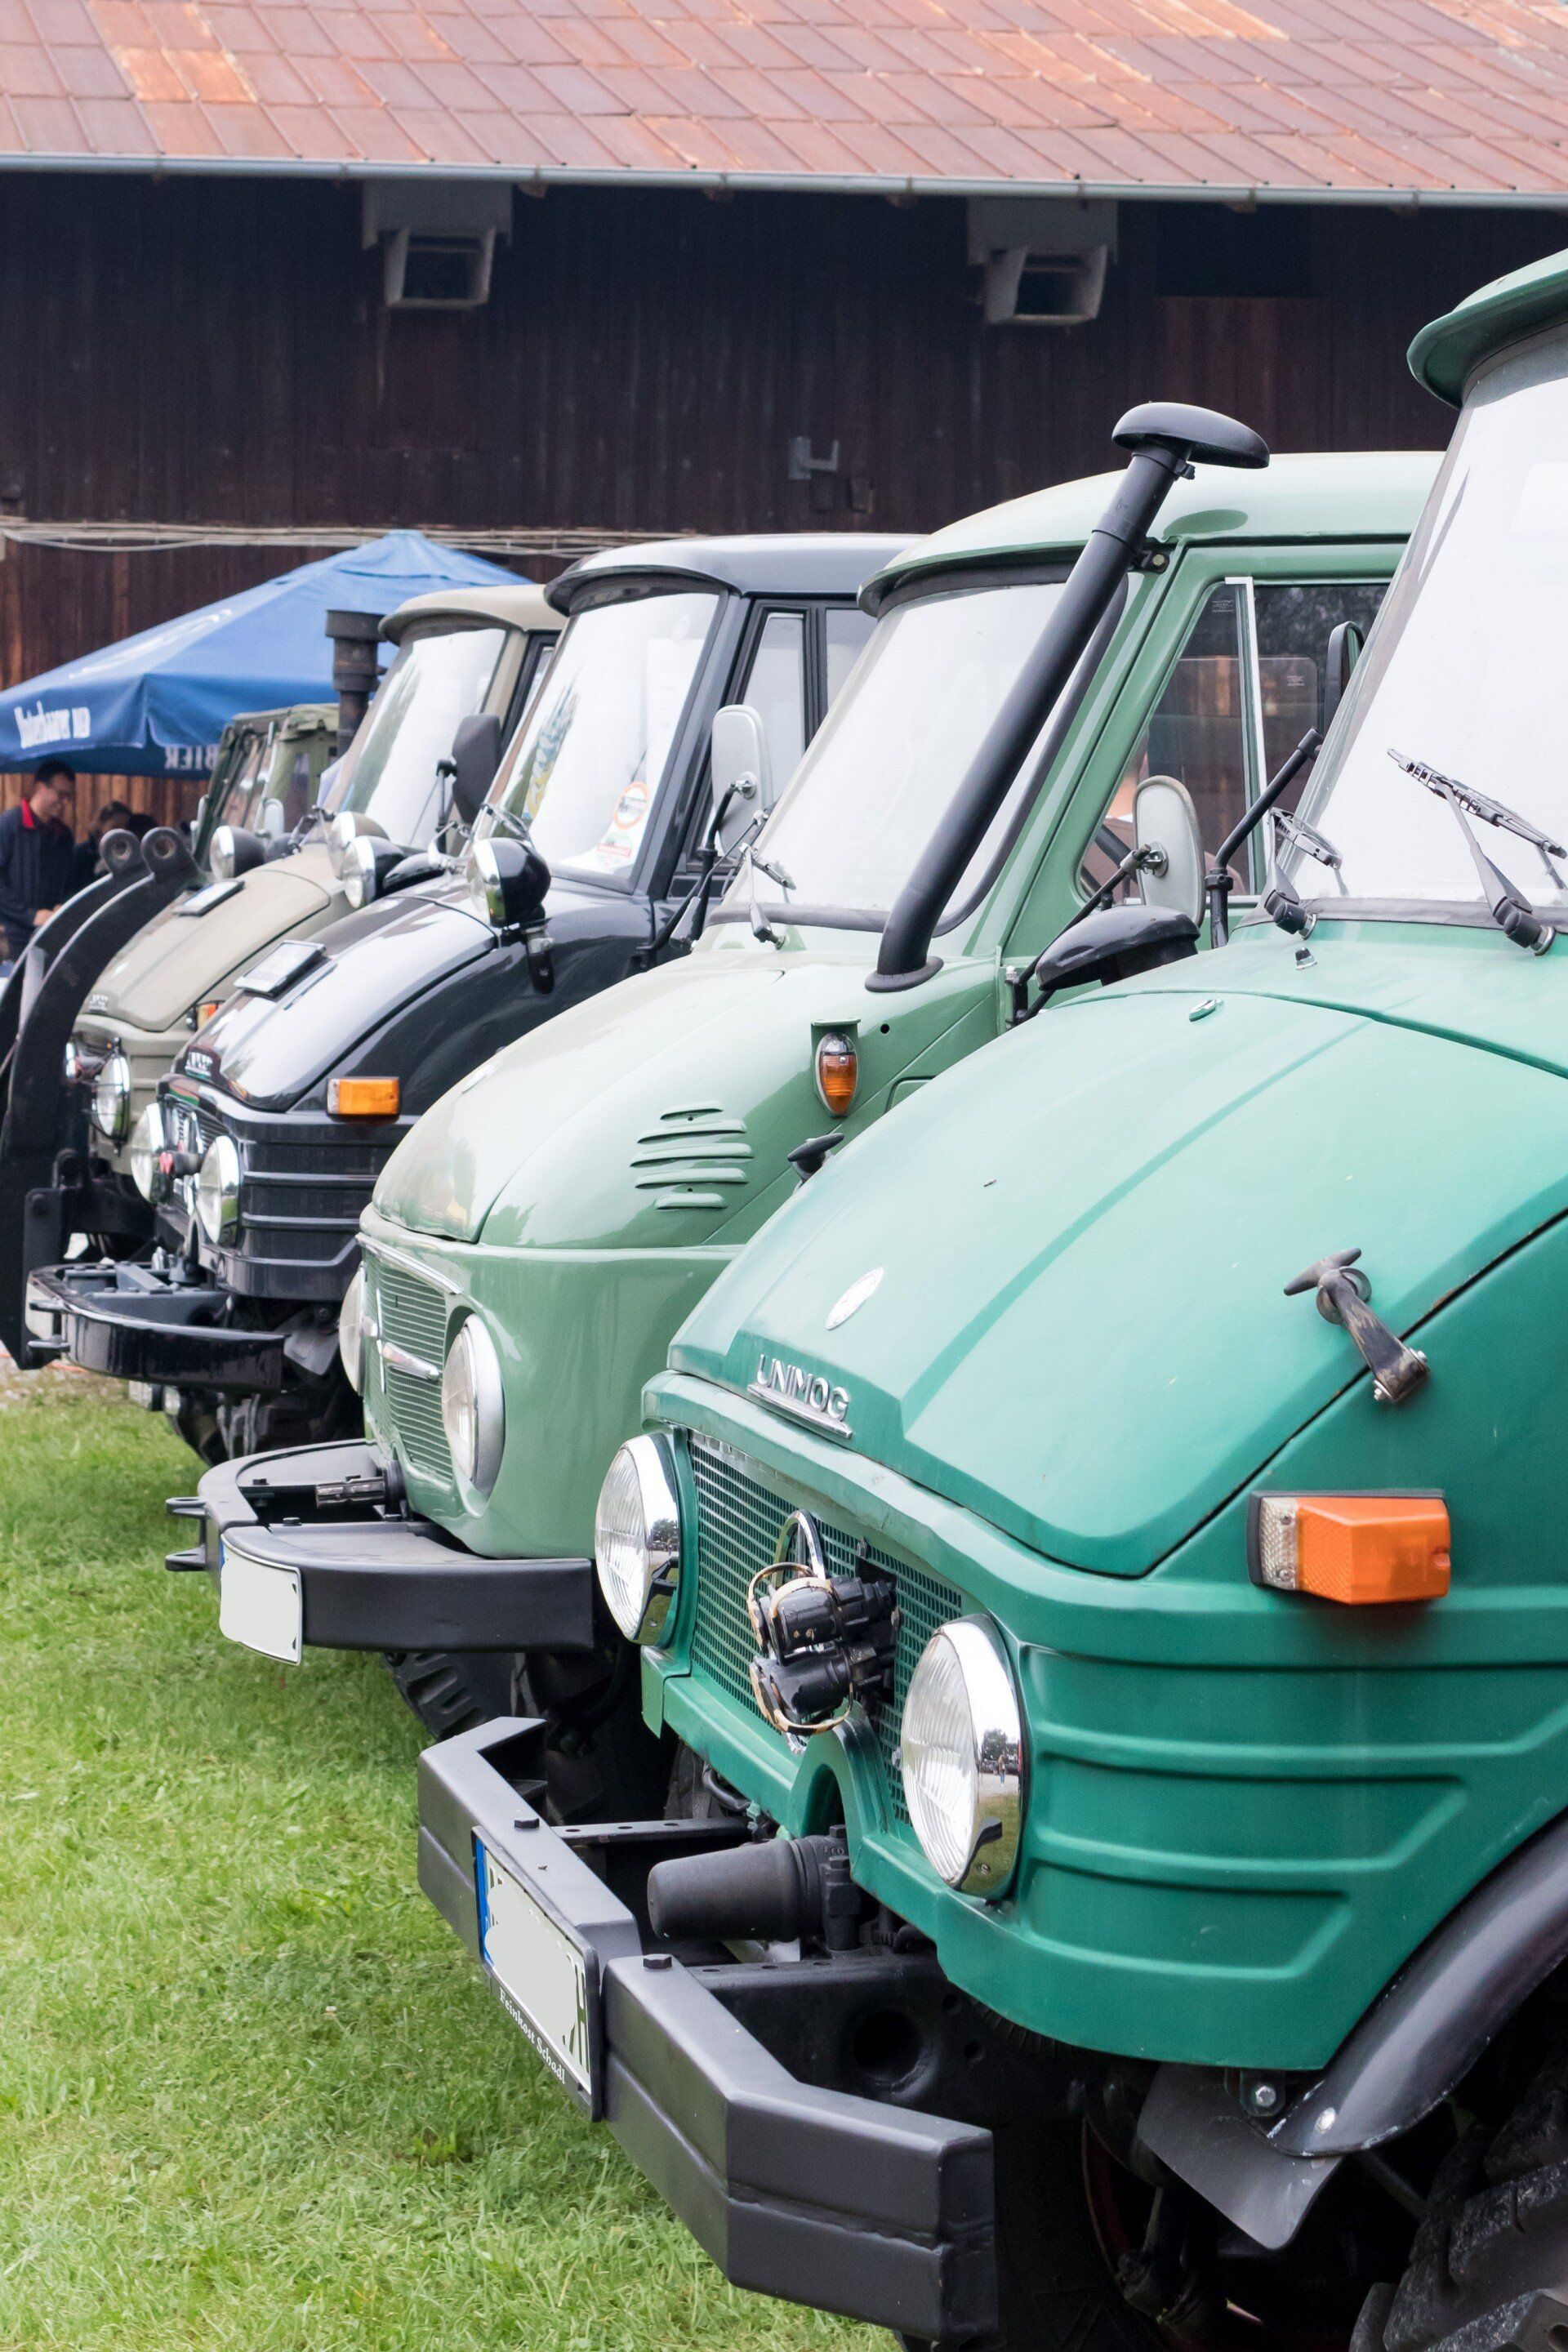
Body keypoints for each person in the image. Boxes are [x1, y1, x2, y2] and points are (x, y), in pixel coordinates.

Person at [0, 760, 79, 962]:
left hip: (49, 934)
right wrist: (30, 915)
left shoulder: (64, 836)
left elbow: (69, 881)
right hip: (11, 937)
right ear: (39, 788)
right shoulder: (8, 826)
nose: (65, 802)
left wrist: (63, 905)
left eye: (69, 797)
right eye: (61, 794)